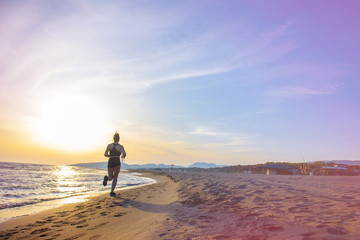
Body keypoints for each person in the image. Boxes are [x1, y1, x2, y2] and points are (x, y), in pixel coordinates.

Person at [103, 132, 126, 196]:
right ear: (119, 139)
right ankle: (112, 191)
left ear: (113, 138)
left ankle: (107, 178)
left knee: (111, 177)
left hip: (111, 160)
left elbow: (105, 154)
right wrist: (123, 156)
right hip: (117, 161)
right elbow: (124, 153)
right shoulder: (120, 147)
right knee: (115, 177)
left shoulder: (109, 145)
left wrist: (110, 156)